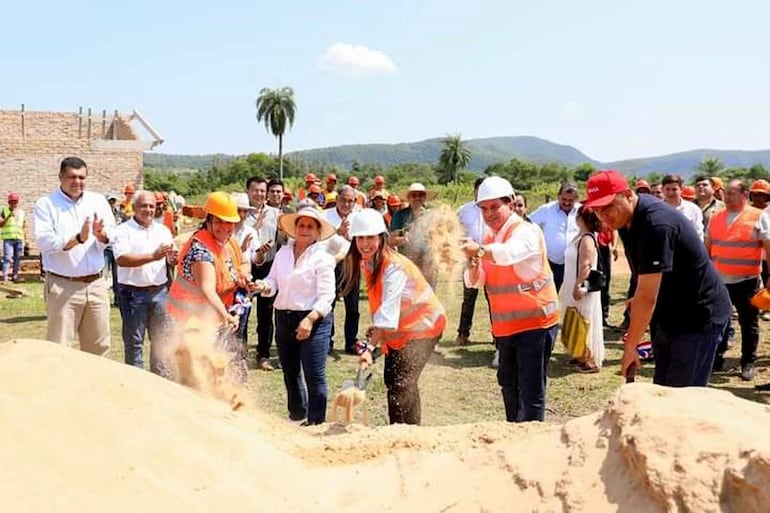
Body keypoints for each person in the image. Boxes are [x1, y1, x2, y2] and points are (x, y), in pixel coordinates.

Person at [584, 170, 731, 387]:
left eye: (608, 206)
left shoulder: (657, 225)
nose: (603, 215)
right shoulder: (624, 219)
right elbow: (641, 278)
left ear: (627, 194)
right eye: (596, 210)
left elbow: (647, 296)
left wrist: (631, 346)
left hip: (698, 316)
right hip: (668, 312)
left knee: (682, 396)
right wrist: (636, 302)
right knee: (663, 389)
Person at [461, 176, 559, 422]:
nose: (489, 213)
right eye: (484, 208)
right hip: (506, 328)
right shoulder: (491, 238)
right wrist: (473, 265)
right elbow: (475, 281)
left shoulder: (525, 231)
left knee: (531, 392)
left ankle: (531, 444)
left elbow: (507, 255)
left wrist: (479, 251)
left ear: (511, 203)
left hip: (535, 325)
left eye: (495, 207)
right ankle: (513, 435)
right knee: (508, 385)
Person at [342, 209, 446, 425]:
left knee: (403, 382)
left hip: (424, 327)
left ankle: (408, 434)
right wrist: (376, 329)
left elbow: (387, 313)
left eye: (370, 237)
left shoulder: (393, 267)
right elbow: (383, 305)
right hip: (402, 328)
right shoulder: (368, 262)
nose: (365, 243)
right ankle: (398, 430)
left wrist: (370, 349)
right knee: (394, 380)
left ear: (382, 238)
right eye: (360, 238)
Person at [255, 206, 336, 426]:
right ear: (294, 228)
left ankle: (316, 422)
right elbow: (273, 281)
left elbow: (327, 296)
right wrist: (264, 286)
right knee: (290, 373)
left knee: (314, 374)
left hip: (313, 319)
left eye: (310, 226)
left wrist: (309, 320)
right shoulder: (282, 253)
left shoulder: (323, 258)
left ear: (317, 232)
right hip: (283, 318)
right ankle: (297, 417)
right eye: (301, 225)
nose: (305, 229)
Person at [166, 191, 254, 380]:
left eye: (229, 222)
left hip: (215, 316)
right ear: (209, 220)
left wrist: (244, 275)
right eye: (219, 221)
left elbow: (243, 262)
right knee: (196, 374)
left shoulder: (228, 241)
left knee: (220, 369)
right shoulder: (200, 249)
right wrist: (226, 316)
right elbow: (207, 289)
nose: (225, 226)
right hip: (190, 321)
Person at [33, 156, 116, 355]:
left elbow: (113, 234)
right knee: (59, 348)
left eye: (81, 177)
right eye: (71, 177)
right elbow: (45, 242)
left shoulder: (97, 201)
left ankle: (95, 386)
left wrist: (101, 235)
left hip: (95, 284)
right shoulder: (46, 204)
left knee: (99, 347)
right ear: (60, 177)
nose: (77, 182)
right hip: (63, 285)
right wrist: (78, 238)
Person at [706, 179, 770, 380]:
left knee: (748, 322)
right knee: (718, 321)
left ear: (744, 195)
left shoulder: (758, 216)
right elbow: (707, 247)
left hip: (747, 280)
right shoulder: (715, 217)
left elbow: (768, 248)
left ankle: (748, 362)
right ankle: (716, 358)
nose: (727, 196)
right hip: (719, 281)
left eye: (733, 193)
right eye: (726, 193)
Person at [112, 191, 176, 375]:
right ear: (134, 207)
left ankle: (162, 382)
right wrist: (152, 256)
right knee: (134, 343)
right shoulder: (123, 230)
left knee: (162, 341)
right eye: (143, 206)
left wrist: (172, 259)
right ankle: (136, 384)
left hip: (160, 292)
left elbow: (169, 259)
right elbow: (122, 259)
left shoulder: (162, 230)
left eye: (151, 206)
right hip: (133, 294)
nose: (148, 210)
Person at [560, 206, 605, 372]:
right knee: (574, 318)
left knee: (584, 320)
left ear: (581, 218)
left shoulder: (587, 239)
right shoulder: (580, 236)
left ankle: (590, 359)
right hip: (571, 281)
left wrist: (579, 285)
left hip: (581, 286)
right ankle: (579, 354)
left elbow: (586, 265)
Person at [245, 176, 281, 370]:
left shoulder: (275, 213)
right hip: (247, 267)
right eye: (255, 190)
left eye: (262, 190)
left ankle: (264, 354)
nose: (259, 194)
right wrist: (255, 226)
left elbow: (282, 238)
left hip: (269, 267)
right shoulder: (241, 213)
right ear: (248, 191)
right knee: (242, 310)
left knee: (266, 315)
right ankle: (239, 354)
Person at [322, 185, 361, 354]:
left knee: (352, 307)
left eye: (350, 201)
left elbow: (364, 242)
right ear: (337, 200)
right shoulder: (325, 216)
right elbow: (320, 241)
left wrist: (349, 237)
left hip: (352, 265)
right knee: (329, 304)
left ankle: (351, 342)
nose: (346, 204)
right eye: (343, 200)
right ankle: (326, 341)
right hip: (331, 265)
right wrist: (337, 233)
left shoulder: (359, 217)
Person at [528, 181, 580, 292]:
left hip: (575, 264)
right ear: (558, 196)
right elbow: (528, 224)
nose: (566, 203)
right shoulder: (547, 209)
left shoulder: (582, 212)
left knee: (573, 298)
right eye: (563, 199)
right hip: (551, 263)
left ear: (576, 199)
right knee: (548, 295)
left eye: (570, 200)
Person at [231, 192, 263, 355]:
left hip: (243, 285)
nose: (242, 215)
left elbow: (255, 258)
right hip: (226, 285)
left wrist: (261, 253)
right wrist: (239, 250)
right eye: (239, 210)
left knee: (241, 326)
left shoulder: (250, 231)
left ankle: (239, 361)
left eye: (245, 211)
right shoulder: (223, 230)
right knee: (227, 326)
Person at [455, 177, 487, 346]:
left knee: (493, 299)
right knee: (469, 298)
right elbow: (455, 231)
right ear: (474, 190)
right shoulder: (464, 210)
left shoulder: (494, 209)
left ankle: (497, 336)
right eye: (480, 189)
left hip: (491, 258)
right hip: (470, 259)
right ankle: (463, 333)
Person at [389, 182, 438, 288]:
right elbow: (391, 240)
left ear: (425, 198)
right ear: (408, 197)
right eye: (414, 195)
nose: (417, 198)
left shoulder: (432, 215)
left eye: (421, 195)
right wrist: (403, 239)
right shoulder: (400, 215)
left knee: (429, 298)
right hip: (407, 264)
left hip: (428, 264)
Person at [661, 174, 704, 241]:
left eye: (674, 189)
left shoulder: (693, 209)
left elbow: (699, 234)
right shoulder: (657, 209)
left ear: (681, 189)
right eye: (667, 189)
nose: (671, 193)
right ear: (662, 189)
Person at [1, 192, 26, 283]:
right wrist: (8, 216)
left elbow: (24, 226)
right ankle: (5, 277)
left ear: (17, 202)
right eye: (11, 201)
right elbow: (1, 224)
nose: (13, 203)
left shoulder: (22, 213)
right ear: (8, 202)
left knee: (17, 258)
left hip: (19, 238)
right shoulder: (4, 211)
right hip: (8, 239)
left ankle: (15, 276)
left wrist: (26, 240)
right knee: (7, 258)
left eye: (15, 201)